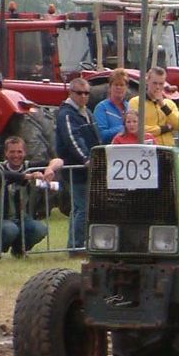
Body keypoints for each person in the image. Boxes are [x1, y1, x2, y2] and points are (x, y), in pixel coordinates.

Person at [0, 136, 54, 258]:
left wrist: (50, 169)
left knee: (41, 229)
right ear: (5, 153)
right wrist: (28, 176)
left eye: (19, 151)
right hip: (0, 219)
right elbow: (3, 175)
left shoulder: (29, 166)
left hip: (24, 218)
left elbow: (59, 160)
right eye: (12, 152)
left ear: (25, 153)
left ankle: (18, 251)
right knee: (11, 230)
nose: (16, 155)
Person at [55, 78, 100, 253]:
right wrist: (86, 158)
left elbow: (96, 137)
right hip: (76, 169)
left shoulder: (87, 112)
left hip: (90, 169)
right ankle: (77, 246)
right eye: (79, 93)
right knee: (83, 208)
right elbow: (72, 139)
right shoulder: (66, 114)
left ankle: (75, 244)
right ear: (71, 93)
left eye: (86, 93)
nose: (83, 96)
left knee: (79, 208)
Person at [128, 66, 179, 146]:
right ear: (147, 81)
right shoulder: (136, 102)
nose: (158, 87)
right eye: (154, 83)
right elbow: (137, 128)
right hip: (149, 148)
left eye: (161, 84)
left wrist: (163, 106)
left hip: (168, 148)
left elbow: (178, 125)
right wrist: (164, 129)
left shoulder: (169, 103)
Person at [93, 68, 130, 144]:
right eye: (116, 85)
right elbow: (100, 135)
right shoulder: (101, 108)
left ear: (126, 87)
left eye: (122, 85)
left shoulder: (129, 107)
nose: (118, 87)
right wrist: (123, 128)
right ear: (110, 87)